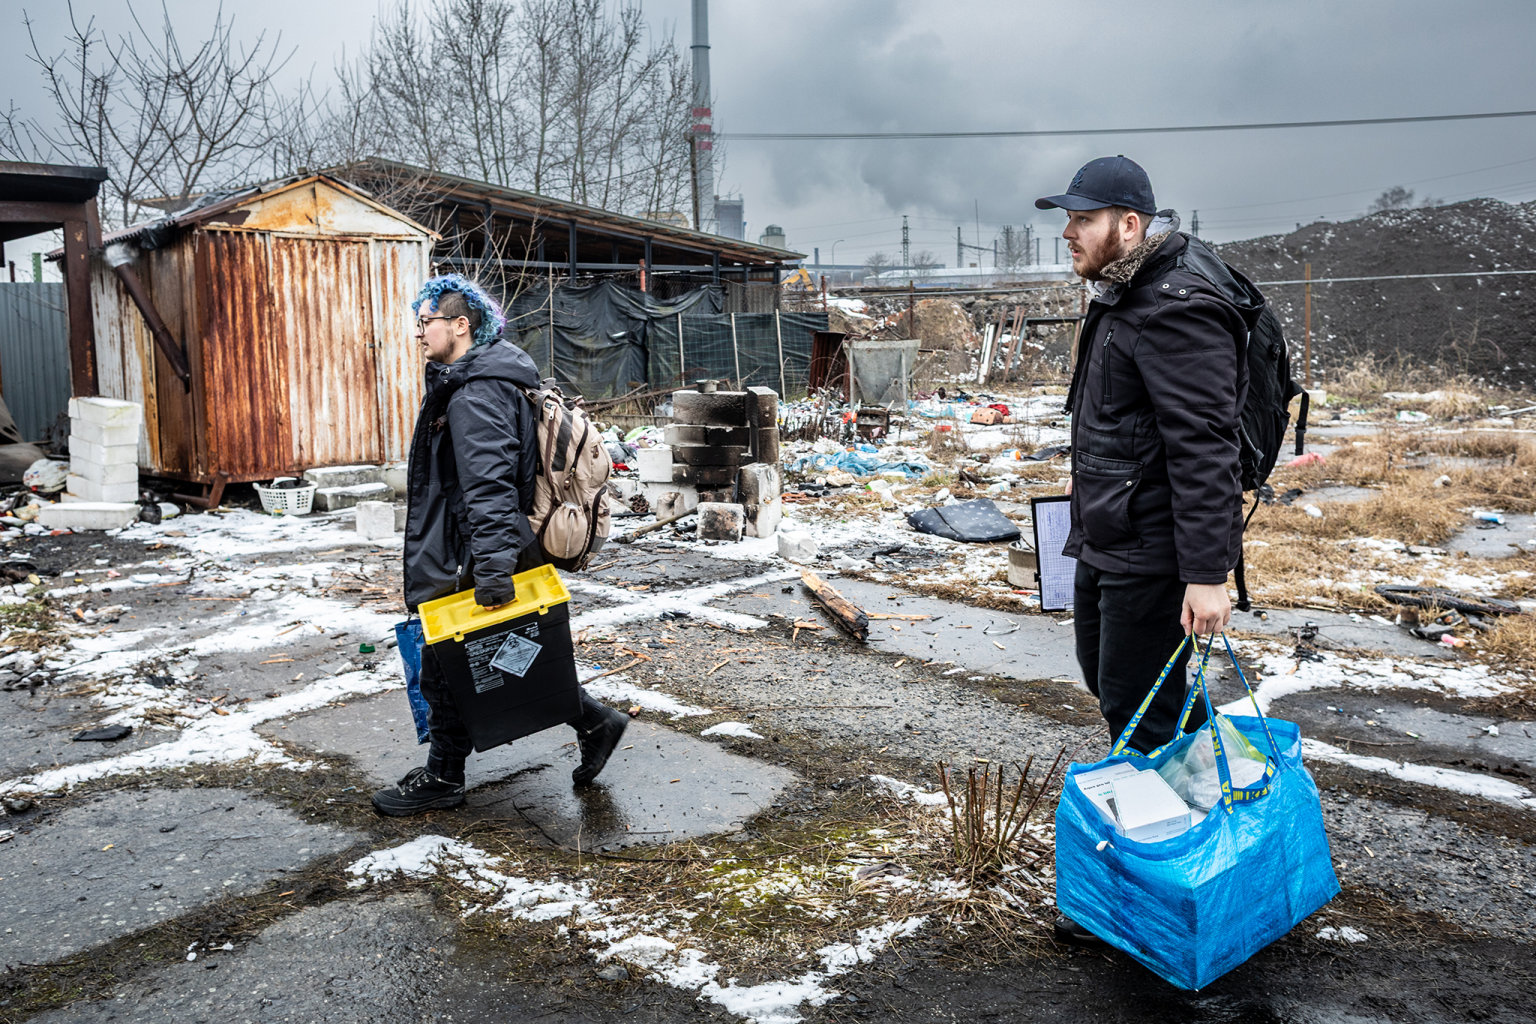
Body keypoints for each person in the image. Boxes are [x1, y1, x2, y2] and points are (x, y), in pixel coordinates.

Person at [1036, 157, 1255, 941]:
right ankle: (1207, 855)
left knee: (1138, 716)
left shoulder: (1177, 307)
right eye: (1068, 219)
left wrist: (1207, 574)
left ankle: (1164, 891)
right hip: (1110, 541)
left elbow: (1203, 449)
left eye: (1082, 220)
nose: (1067, 233)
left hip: (1155, 557)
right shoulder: (1126, 292)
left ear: (1129, 226)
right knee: (1136, 700)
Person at [372, 274, 629, 816]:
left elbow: (487, 489)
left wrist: (490, 571)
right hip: (483, 547)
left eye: (427, 323)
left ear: (459, 326)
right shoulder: (481, 381)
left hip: (479, 550)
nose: (419, 333)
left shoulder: (476, 392)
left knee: (446, 663)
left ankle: (445, 777)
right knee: (487, 660)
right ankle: (595, 722)